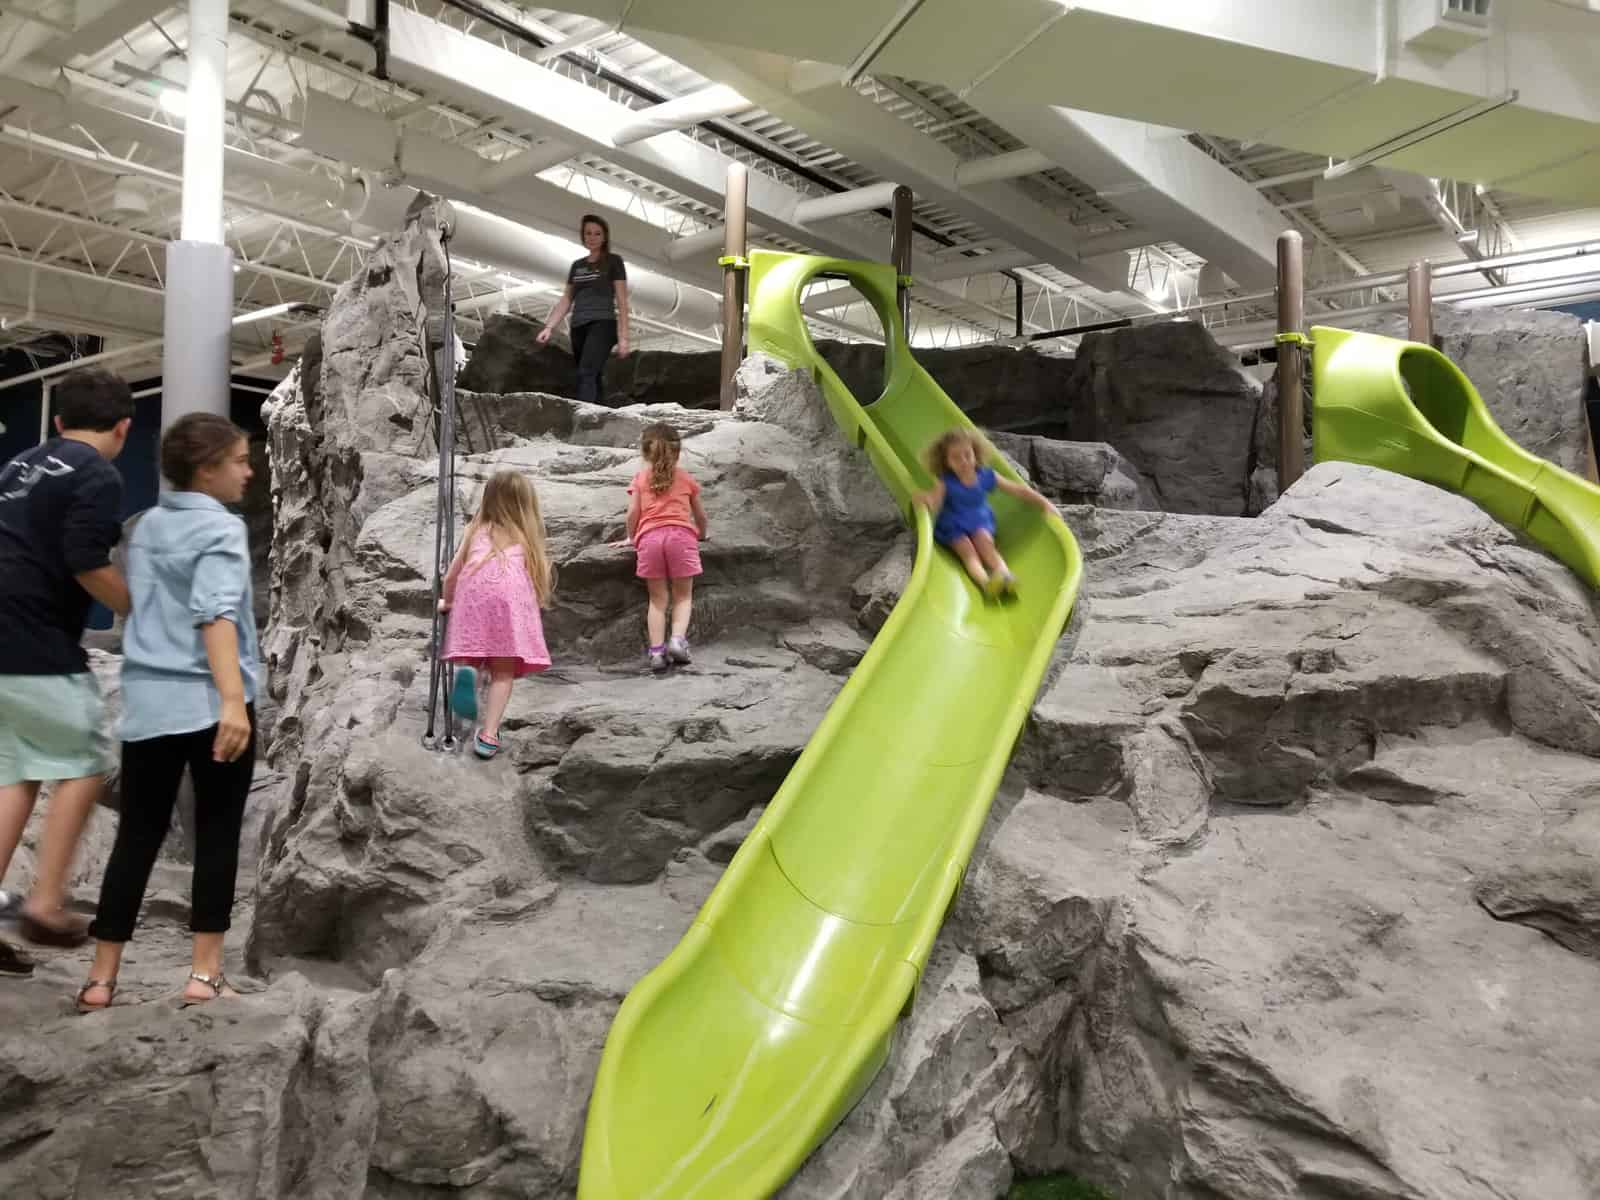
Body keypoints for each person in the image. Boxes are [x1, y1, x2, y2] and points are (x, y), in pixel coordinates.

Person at [76, 414, 260, 1012]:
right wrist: (233, 702)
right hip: (210, 702)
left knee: (137, 837)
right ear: (207, 469)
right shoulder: (223, 530)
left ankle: (101, 979)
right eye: (239, 460)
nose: (249, 471)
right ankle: (203, 975)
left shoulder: (149, 526)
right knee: (216, 836)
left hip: (149, 702)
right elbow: (215, 615)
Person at [0, 367, 134, 977]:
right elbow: (85, 561)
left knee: (18, 774)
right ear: (124, 428)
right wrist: (142, 605)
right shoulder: (98, 473)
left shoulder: (20, 466)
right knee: (85, 760)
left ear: (57, 422)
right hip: (37, 640)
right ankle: (46, 904)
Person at [438, 471, 554, 761]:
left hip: (473, 593)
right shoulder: (525, 534)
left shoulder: (475, 529)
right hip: (508, 598)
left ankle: (469, 672)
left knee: (474, 652)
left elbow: (452, 574)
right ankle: (489, 735)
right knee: (503, 671)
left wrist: (448, 601)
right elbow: (536, 579)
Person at [913, 429, 1057, 598]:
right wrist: (926, 499)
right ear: (946, 462)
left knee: (986, 545)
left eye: (967, 454)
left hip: (979, 522)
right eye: (956, 458)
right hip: (954, 526)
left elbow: (1018, 490)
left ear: (975, 453)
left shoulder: (986, 476)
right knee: (968, 552)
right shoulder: (945, 482)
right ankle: (986, 584)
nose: (964, 461)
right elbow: (935, 502)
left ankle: (1004, 575)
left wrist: (1044, 503)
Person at [620, 422, 708, 673]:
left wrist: (631, 537)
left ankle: (657, 652)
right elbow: (700, 516)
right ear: (677, 452)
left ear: (645, 452)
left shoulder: (639, 479)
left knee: (657, 600)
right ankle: (678, 641)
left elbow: (632, 514)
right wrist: (701, 534)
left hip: (649, 539)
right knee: (683, 596)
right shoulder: (686, 479)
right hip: (682, 538)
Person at [534, 213, 632, 405]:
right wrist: (549, 327)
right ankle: (599, 417)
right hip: (578, 326)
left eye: (597, 233)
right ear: (583, 236)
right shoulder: (577, 266)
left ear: (604, 237)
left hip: (603, 323)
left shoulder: (613, 261)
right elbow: (567, 299)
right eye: (588, 233)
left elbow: (621, 301)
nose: (592, 237)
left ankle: (583, 416)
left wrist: (623, 338)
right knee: (592, 375)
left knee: (586, 370)